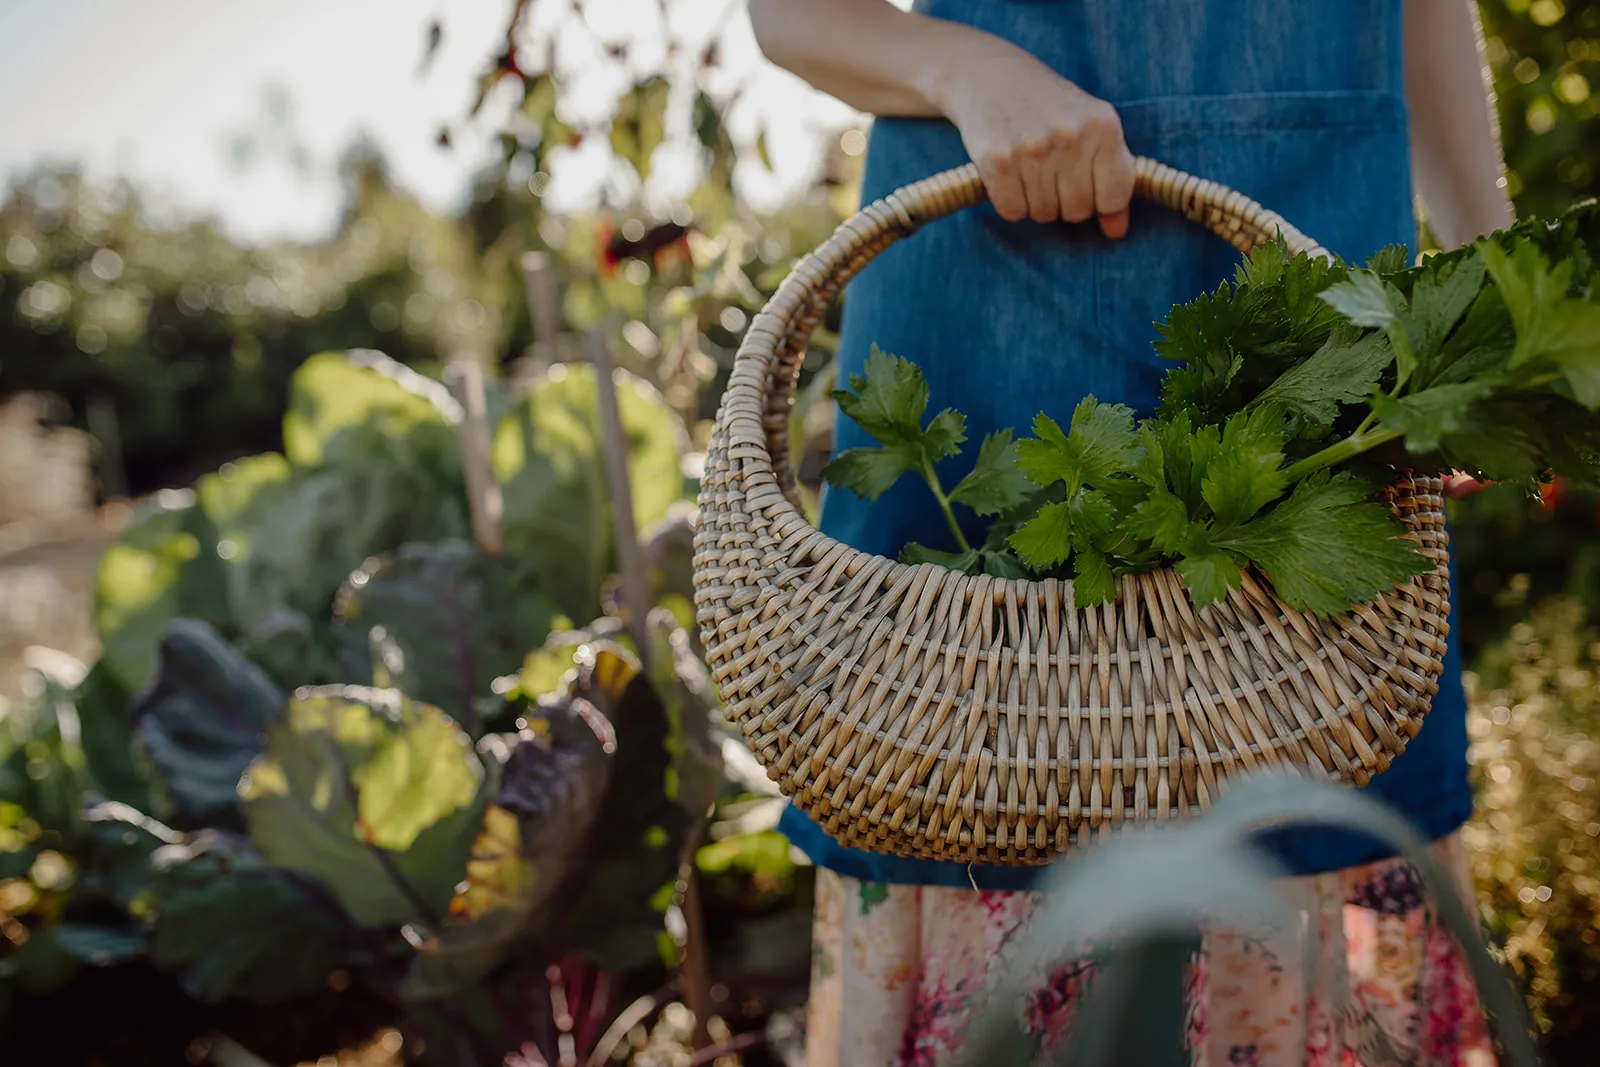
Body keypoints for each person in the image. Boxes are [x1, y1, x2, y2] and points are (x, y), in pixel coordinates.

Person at [747, 1, 1515, 1064]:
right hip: (988, 270)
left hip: (1314, 252)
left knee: (1319, 763)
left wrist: (1493, 286)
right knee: (978, 773)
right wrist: (961, 69)